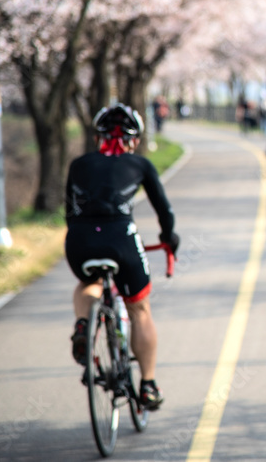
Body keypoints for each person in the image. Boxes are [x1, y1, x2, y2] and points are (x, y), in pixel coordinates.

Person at [65, 103, 180, 410]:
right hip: (120, 237)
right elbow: (164, 211)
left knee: (87, 282)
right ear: (134, 140)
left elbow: (70, 211)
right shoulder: (140, 164)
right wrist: (170, 239)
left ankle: (81, 325)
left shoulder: (78, 164)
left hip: (80, 240)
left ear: (97, 137)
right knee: (140, 307)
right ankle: (149, 385)